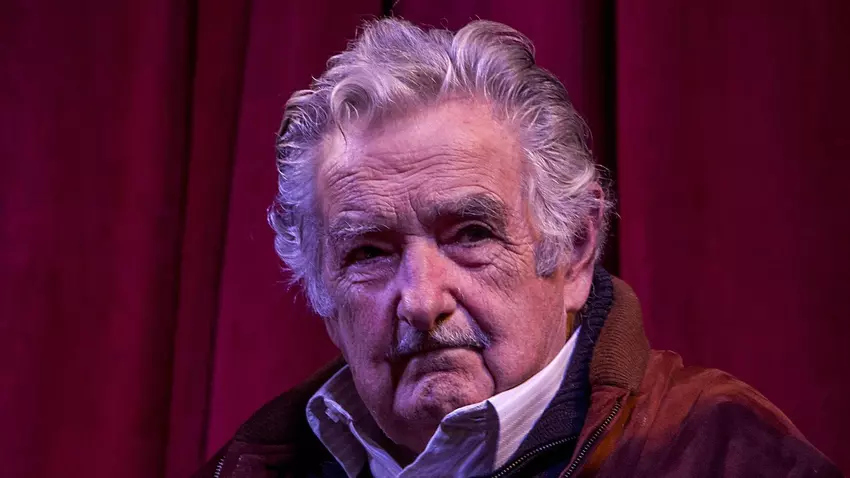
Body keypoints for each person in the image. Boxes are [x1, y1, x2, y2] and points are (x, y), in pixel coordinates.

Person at [194, 18, 840, 478]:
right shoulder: (249, 464)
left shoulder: (727, 456)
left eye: (471, 234)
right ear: (322, 295)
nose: (421, 300)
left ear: (575, 250)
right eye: (369, 252)